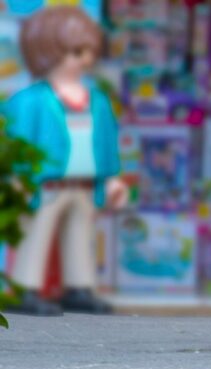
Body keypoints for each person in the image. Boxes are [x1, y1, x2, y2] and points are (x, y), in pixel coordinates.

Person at [4, 6, 127, 316]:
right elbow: (16, 144)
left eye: (88, 51)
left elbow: (106, 144)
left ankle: (80, 286)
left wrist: (111, 179)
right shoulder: (29, 101)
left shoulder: (97, 101)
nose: (84, 60)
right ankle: (24, 287)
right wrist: (17, 179)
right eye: (75, 51)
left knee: (81, 236)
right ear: (46, 52)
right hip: (44, 184)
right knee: (36, 234)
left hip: (85, 184)